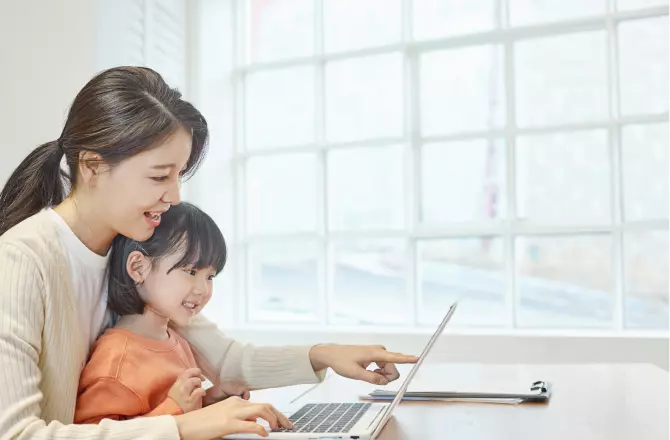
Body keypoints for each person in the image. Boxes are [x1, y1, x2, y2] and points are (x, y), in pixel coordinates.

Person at [0, 66, 419, 440]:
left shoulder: (133, 249)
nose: (174, 195)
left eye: (179, 175)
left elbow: (225, 359)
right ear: (91, 167)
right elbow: (16, 433)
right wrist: (180, 427)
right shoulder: (21, 261)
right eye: (159, 176)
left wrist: (322, 354)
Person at [75, 202, 252, 424]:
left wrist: (206, 402)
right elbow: (90, 432)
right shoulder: (117, 357)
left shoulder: (176, 341)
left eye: (210, 276)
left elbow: (167, 415)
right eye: (191, 271)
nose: (203, 290)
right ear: (138, 267)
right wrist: (175, 408)